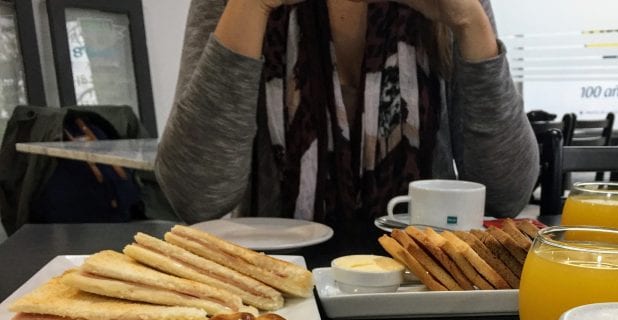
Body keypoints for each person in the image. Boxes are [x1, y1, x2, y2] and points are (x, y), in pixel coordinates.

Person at [156, 0, 539, 244]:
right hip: (273, 297)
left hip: (424, 288)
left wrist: (470, 23)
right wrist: (251, 6)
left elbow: (507, 194)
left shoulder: (457, 8)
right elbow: (196, 197)